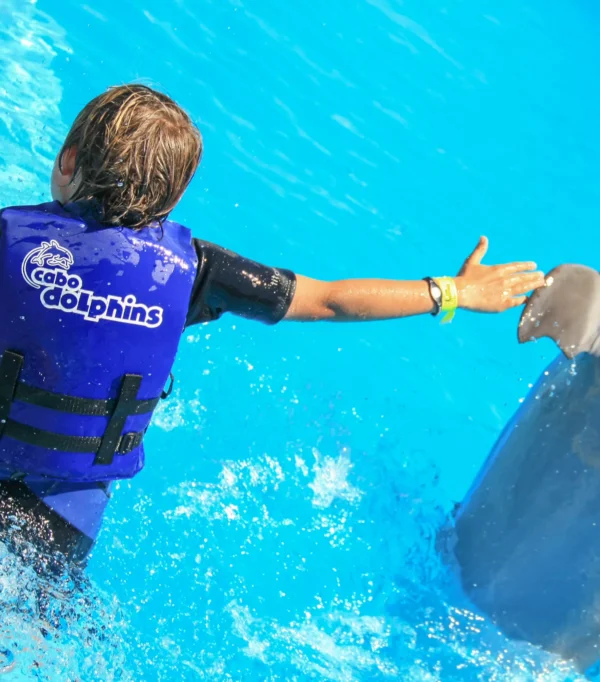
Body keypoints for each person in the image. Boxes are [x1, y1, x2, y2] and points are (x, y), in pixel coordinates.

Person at [0, 85, 548, 575]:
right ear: (173, 199)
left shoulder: (9, 239)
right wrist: (453, 291)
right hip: (64, 513)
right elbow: (330, 300)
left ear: (68, 160)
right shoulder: (194, 272)